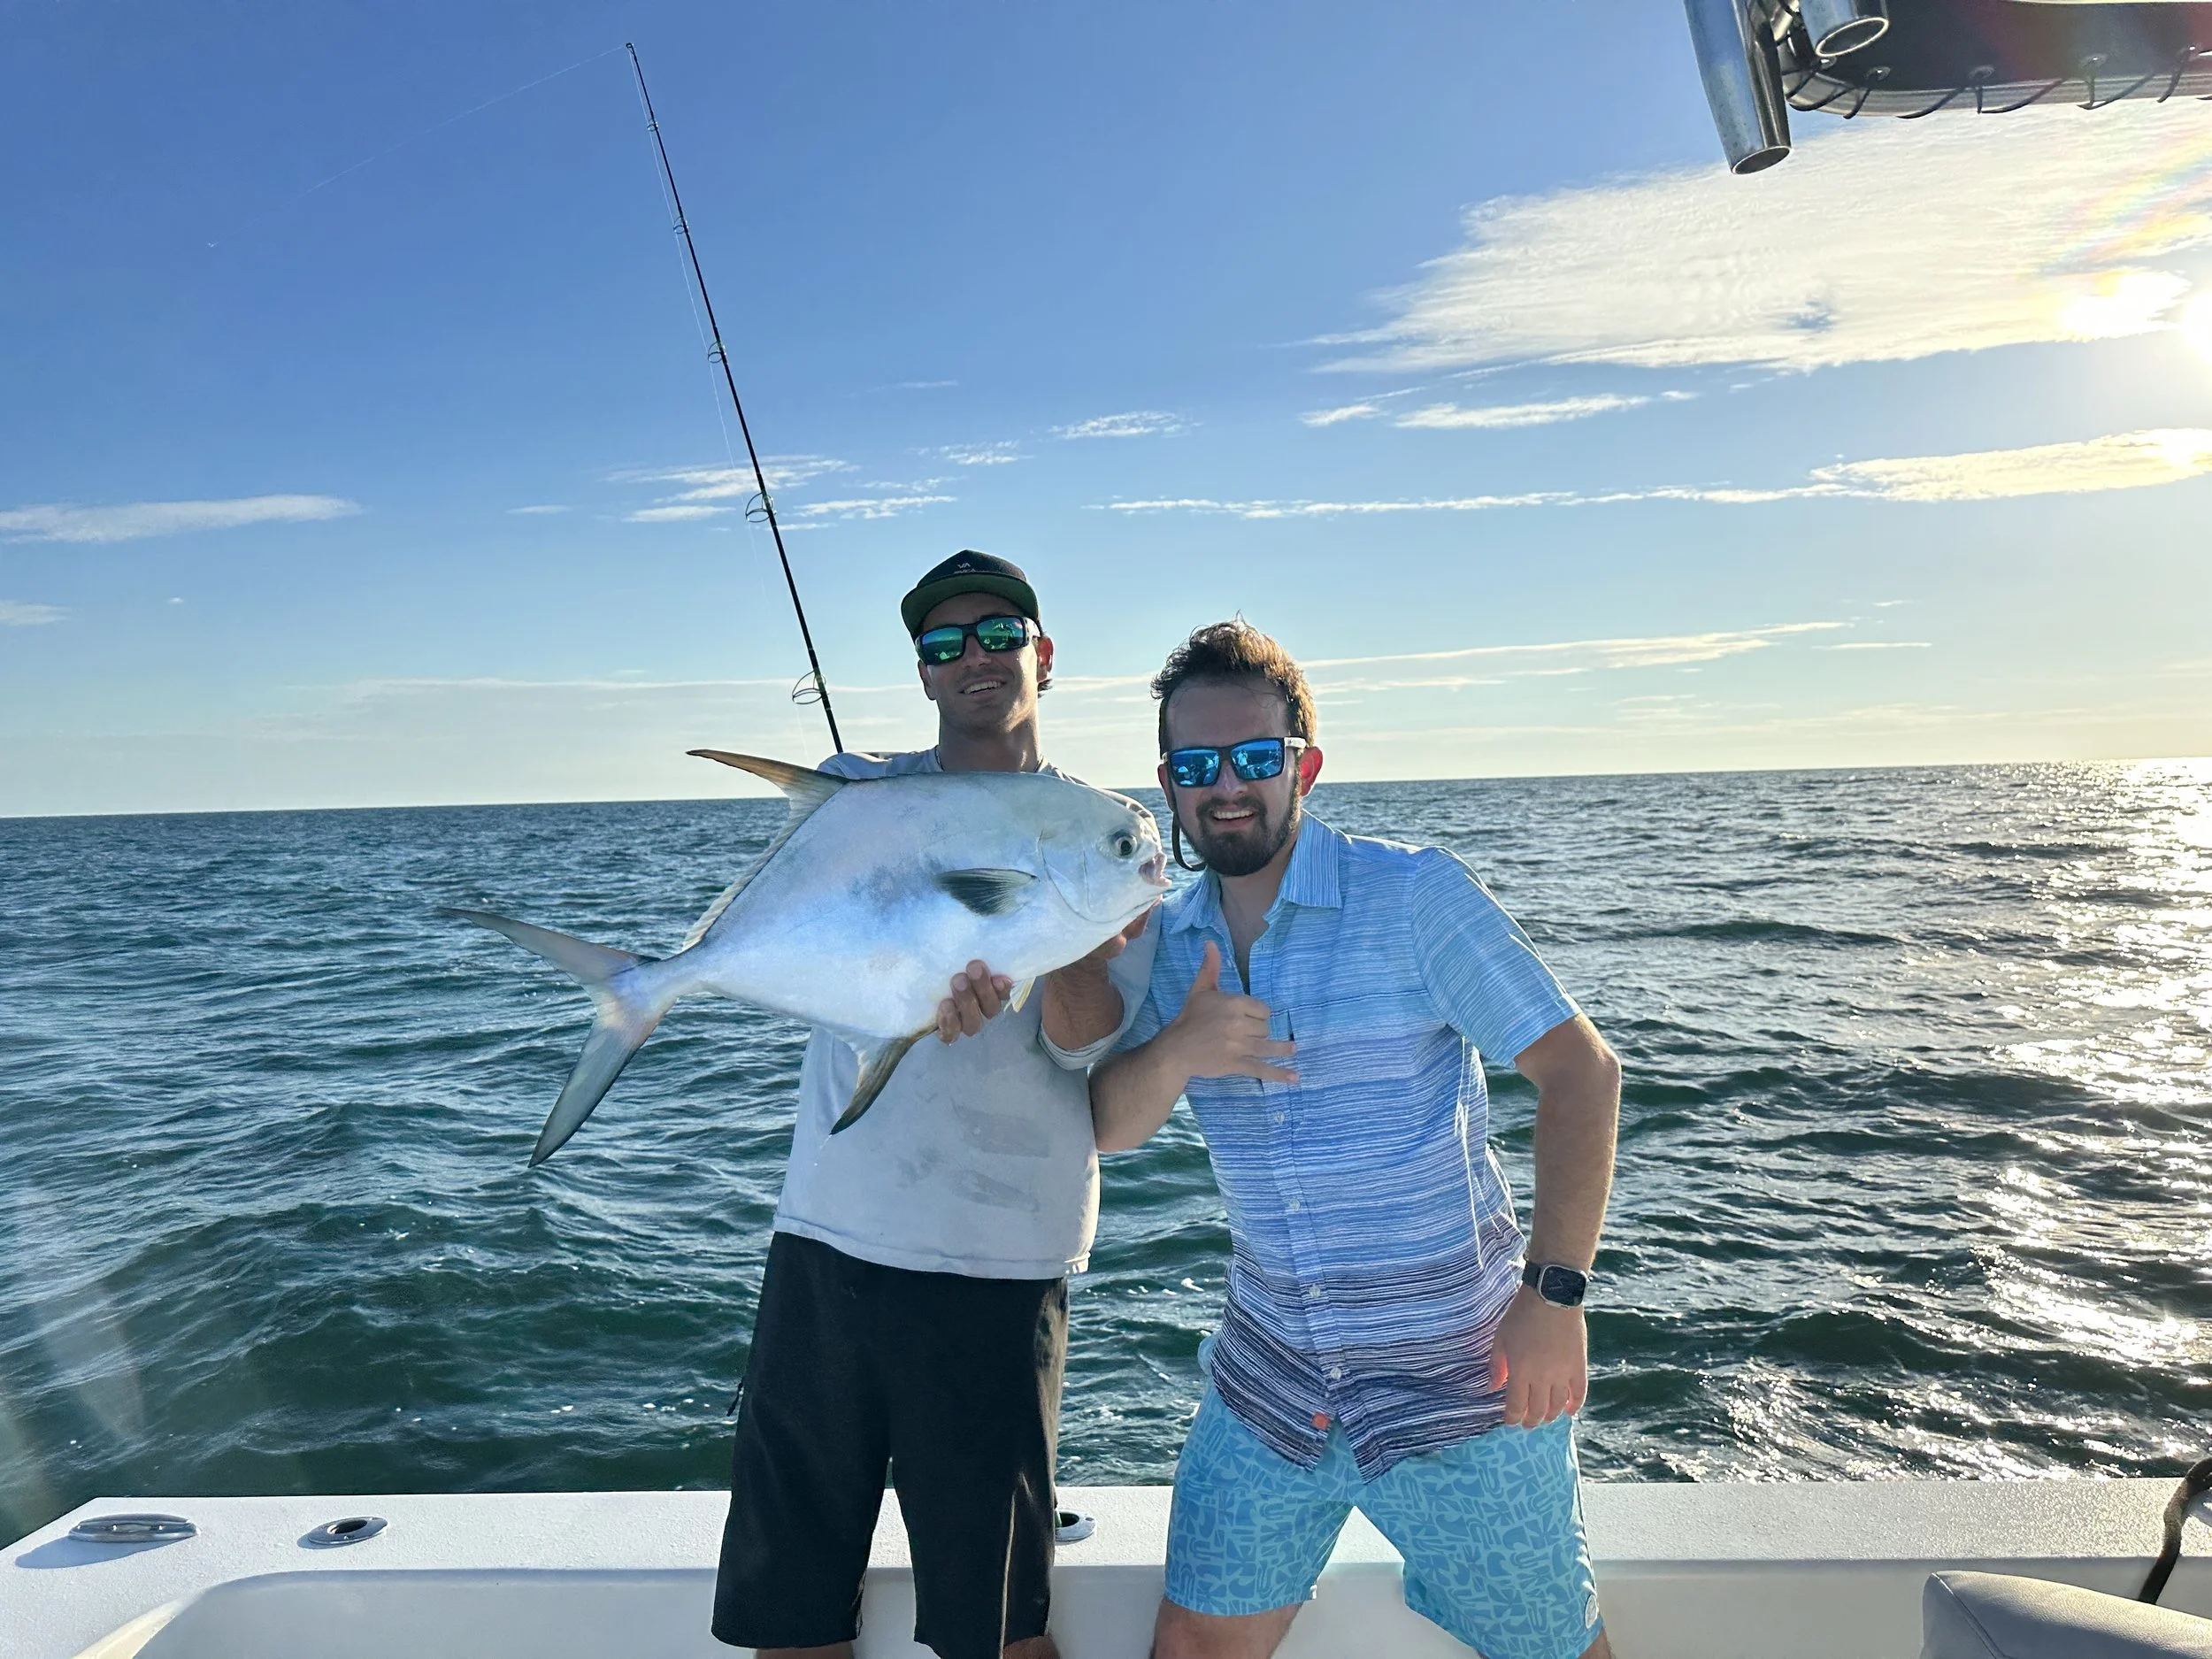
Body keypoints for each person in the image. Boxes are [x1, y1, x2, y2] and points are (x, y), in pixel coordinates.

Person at [1090, 620, 1621, 1659]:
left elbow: (1581, 1074)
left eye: (1255, 758)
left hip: (1463, 1382)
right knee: (1192, 1643)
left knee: (1555, 1652)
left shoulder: (1412, 894)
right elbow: (1107, 1129)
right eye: (1197, 765)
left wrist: (1552, 1297)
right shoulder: (1166, 938)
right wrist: (1178, 1050)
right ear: (1167, 782)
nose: (1226, 786)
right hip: (1270, 1382)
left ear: (1306, 767)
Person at [712, 550, 1157, 1659]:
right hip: (828, 1237)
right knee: (793, 1617)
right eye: (944, 644)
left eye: (999, 635)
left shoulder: (1111, 836)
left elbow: (1081, 1044)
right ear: (920, 672)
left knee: (1000, 1632)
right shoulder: (860, 790)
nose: (974, 659)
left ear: (1042, 656)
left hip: (998, 1264)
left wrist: (1075, 955)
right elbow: (845, 950)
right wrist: (904, 989)